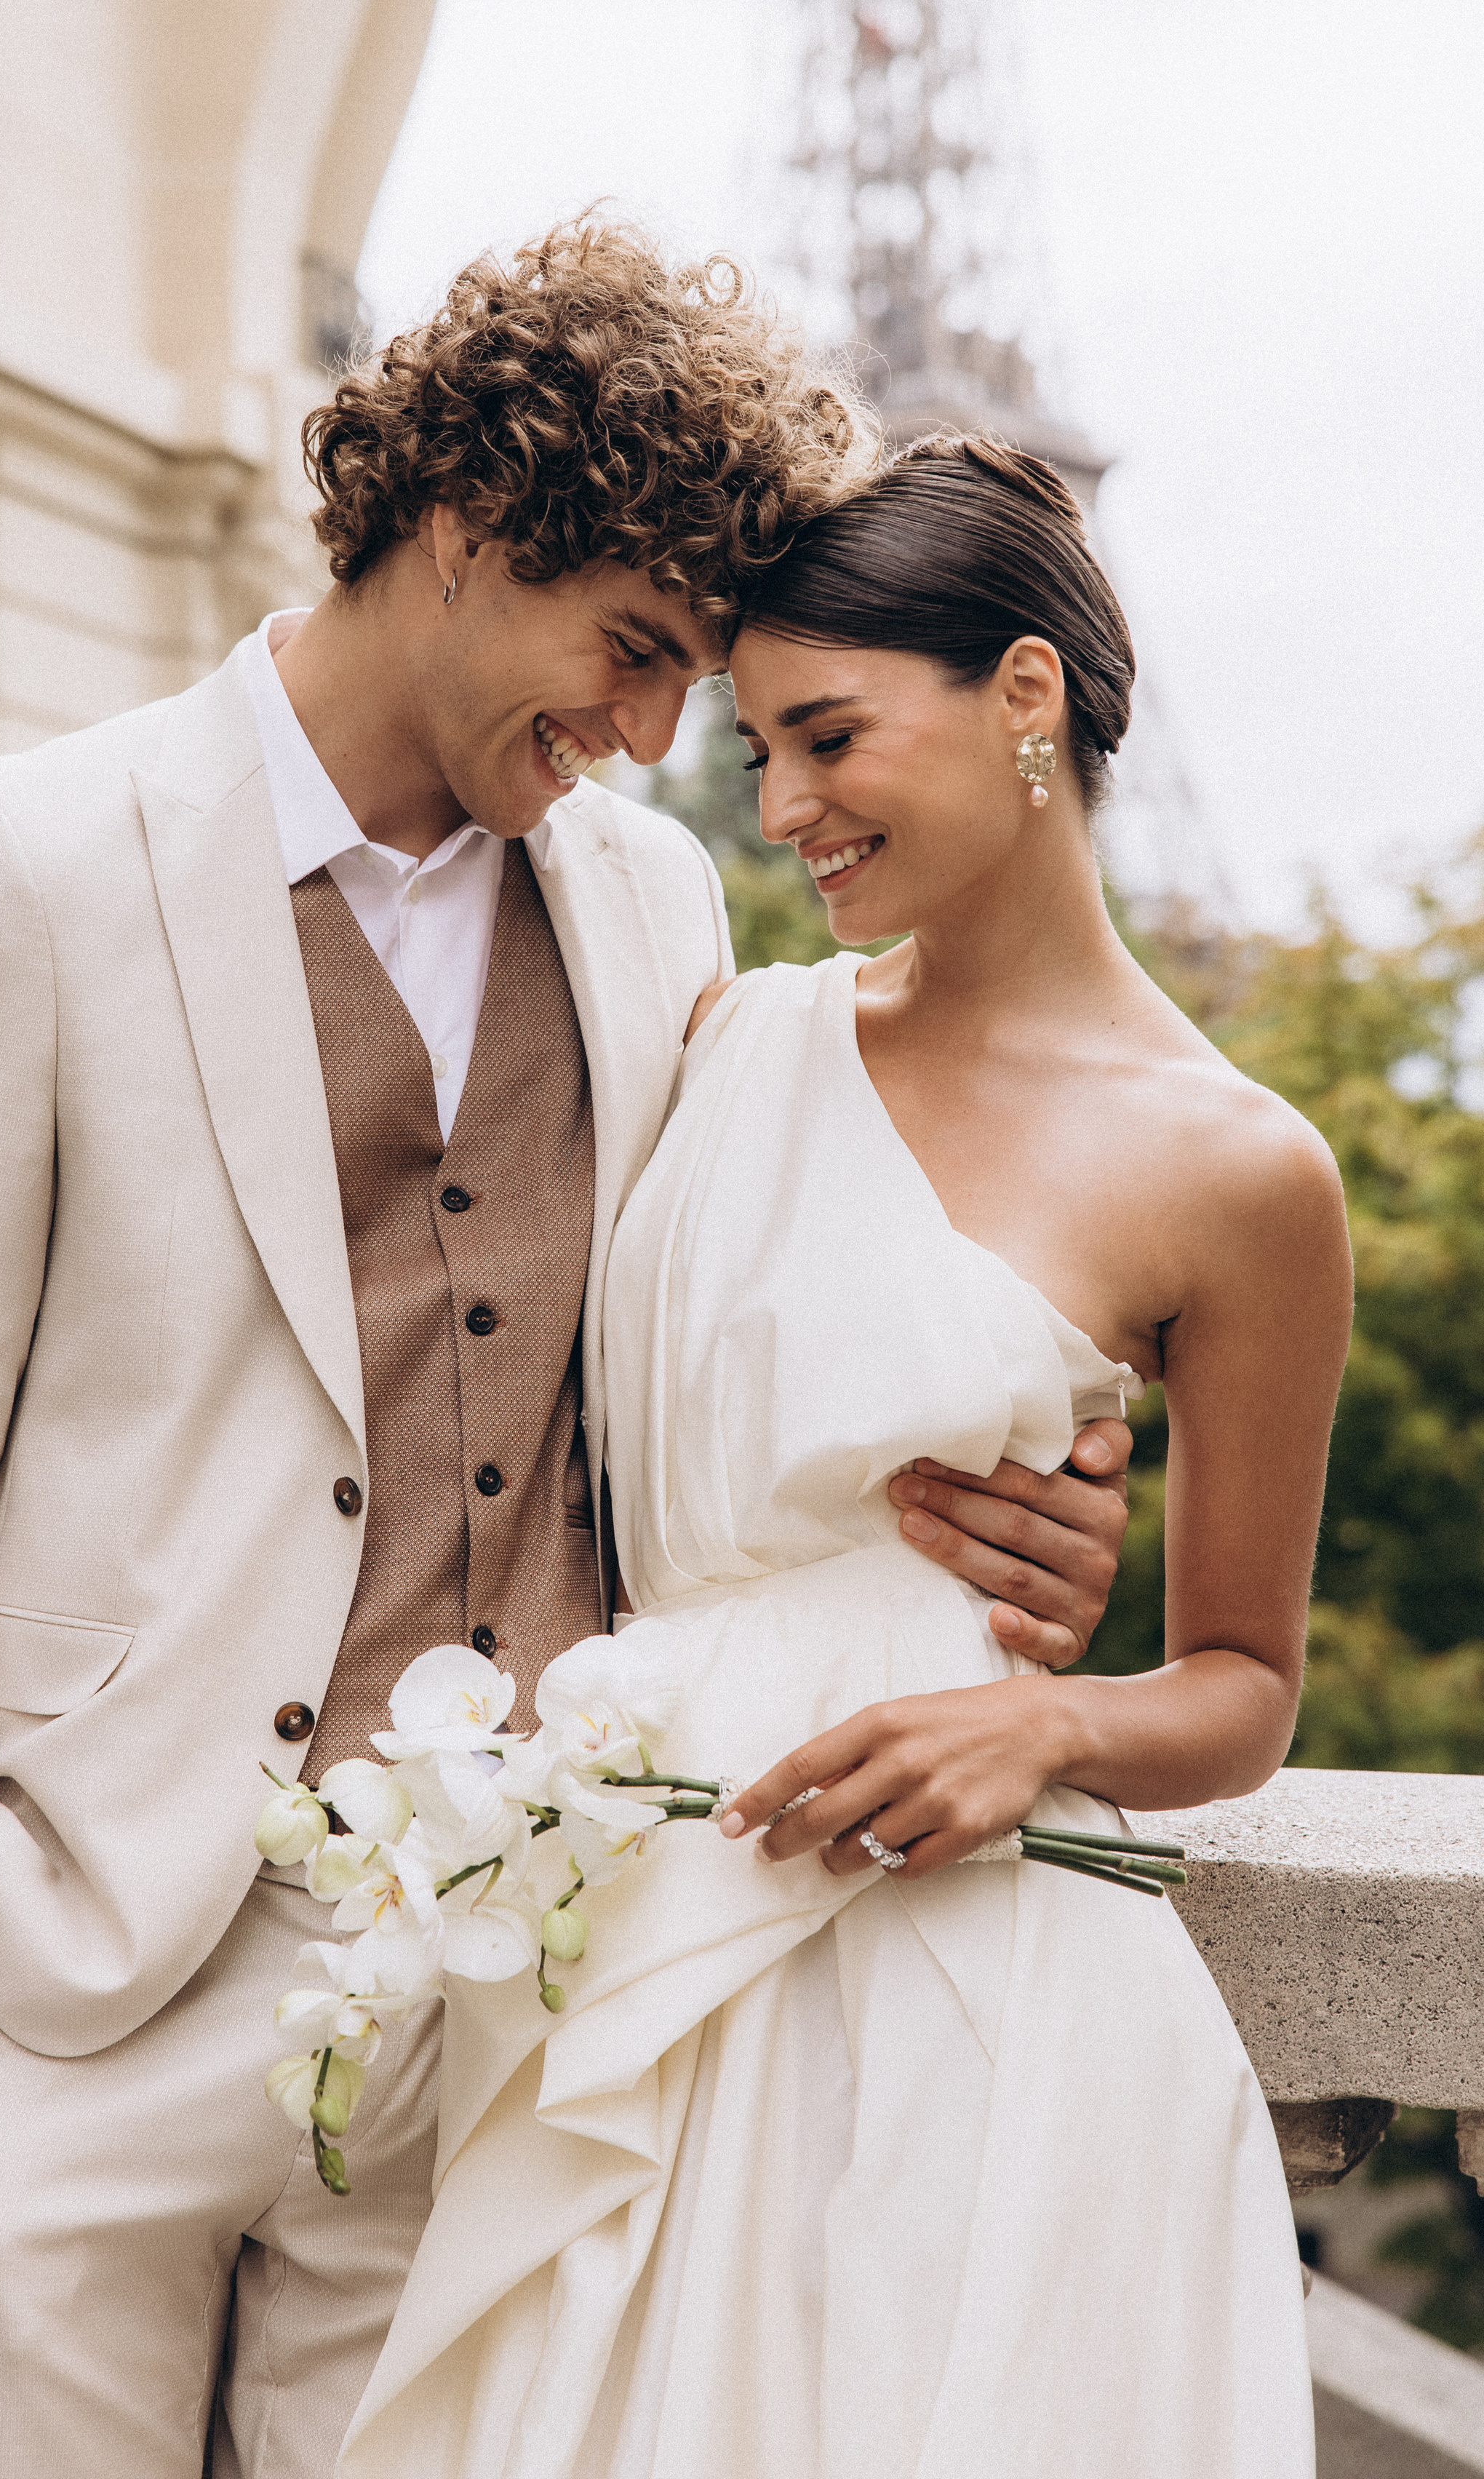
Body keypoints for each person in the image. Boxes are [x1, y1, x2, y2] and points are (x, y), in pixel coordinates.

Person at [0, 236, 1131, 2479]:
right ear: (467, 531)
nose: (653, 741)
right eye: (636, 648)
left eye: (695, 684)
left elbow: (747, 1331)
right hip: (83, 1989)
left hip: (498, 1997)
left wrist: (1014, 1485)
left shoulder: (648, 906)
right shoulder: (32, 861)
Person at [340, 435, 1352, 2479]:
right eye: (760, 749)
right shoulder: (728, 1042)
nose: (782, 808)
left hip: (981, 1997)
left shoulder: (1245, 1174)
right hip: (642, 1939)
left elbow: (1244, 1688)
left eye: (829, 738)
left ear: (1026, 695)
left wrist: (1046, 1723)